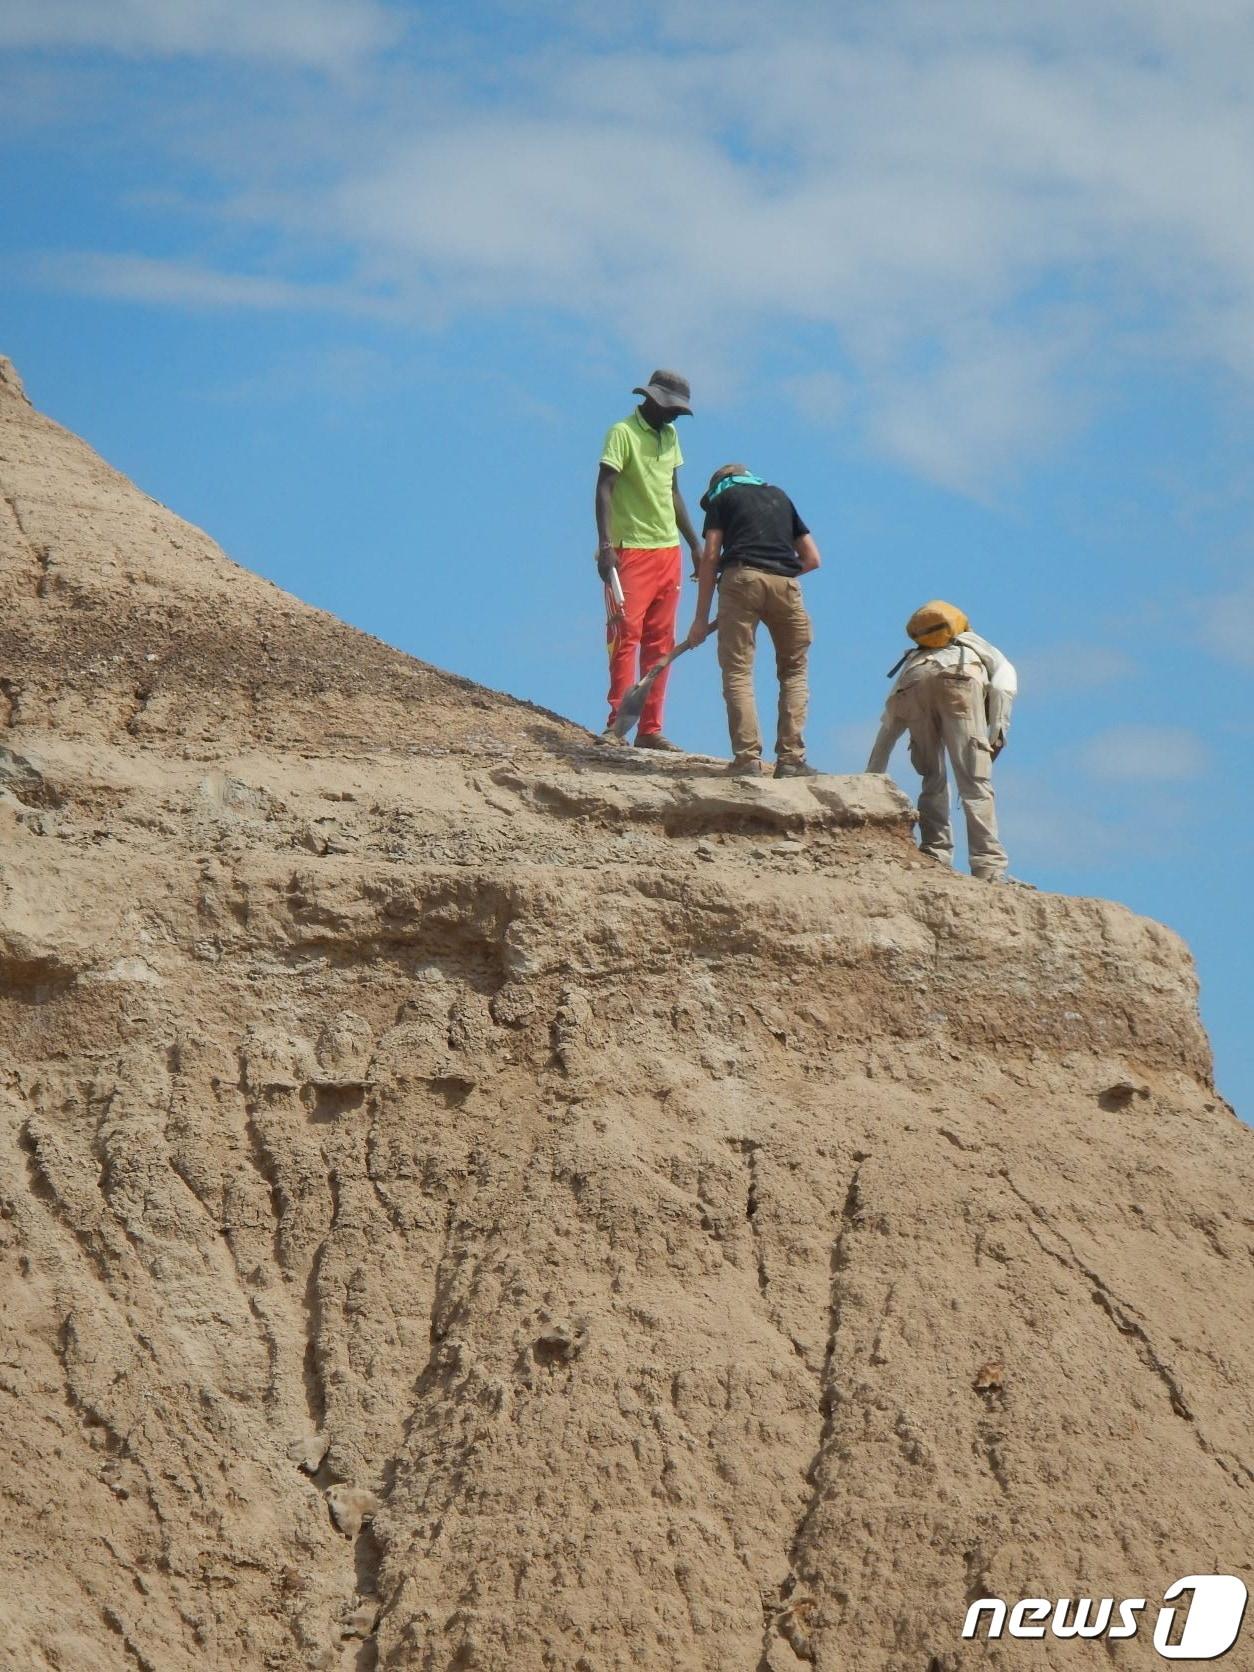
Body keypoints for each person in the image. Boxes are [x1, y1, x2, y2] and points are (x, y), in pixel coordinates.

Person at [682, 464, 822, 778]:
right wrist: (775, 574)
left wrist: (700, 620)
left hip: (740, 579)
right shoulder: (780, 497)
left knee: (738, 671)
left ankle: (747, 760)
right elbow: (812, 558)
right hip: (786, 584)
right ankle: (791, 760)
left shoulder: (722, 498)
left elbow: (710, 556)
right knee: (794, 672)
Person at [866, 601, 1017, 881]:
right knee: (975, 782)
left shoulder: (914, 659)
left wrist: (871, 775)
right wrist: (997, 732)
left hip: (914, 683)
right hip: (960, 677)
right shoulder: (978, 646)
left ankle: (936, 852)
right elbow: (1003, 685)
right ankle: (989, 867)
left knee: (932, 776)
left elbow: (891, 716)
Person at [595, 370, 702, 750]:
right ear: (653, 400)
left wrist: (694, 544)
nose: (675, 416)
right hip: (631, 549)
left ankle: (650, 729)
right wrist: (605, 545)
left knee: (661, 643)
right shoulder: (622, 433)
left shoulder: (670, 436)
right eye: (671, 408)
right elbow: (604, 488)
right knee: (625, 636)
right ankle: (616, 725)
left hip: (667, 550)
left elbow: (673, 493)